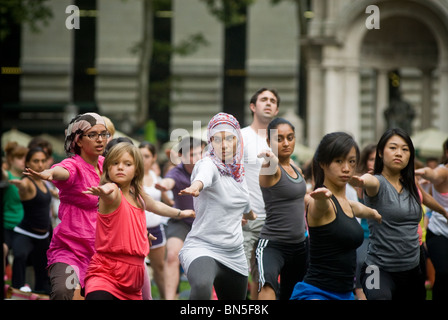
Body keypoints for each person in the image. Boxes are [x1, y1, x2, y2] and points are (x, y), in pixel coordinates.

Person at [83, 142, 194, 300]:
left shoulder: (138, 195)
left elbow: (155, 205)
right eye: (115, 163)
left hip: (134, 276)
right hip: (106, 274)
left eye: (127, 164)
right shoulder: (113, 192)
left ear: (136, 171)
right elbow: (110, 192)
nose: (120, 167)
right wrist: (104, 191)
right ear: (107, 168)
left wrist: (180, 213)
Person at [23, 113, 109, 299]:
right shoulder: (73, 165)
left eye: (104, 134)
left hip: (101, 252)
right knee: (65, 291)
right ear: (78, 140)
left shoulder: (107, 166)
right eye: (93, 135)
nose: (100, 139)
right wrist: (49, 173)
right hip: (70, 251)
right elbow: (62, 171)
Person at [290, 132, 381, 300]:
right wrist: (321, 199)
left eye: (351, 162)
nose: (346, 168)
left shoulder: (347, 203)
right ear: (323, 163)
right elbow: (318, 207)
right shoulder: (319, 202)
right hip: (316, 294)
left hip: (346, 295)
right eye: (339, 161)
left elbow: (362, 210)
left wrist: (377, 214)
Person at [178, 112, 257, 300]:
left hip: (234, 253)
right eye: (218, 139)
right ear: (210, 141)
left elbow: (246, 205)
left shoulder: (238, 173)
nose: (224, 144)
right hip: (203, 246)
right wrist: (196, 187)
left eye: (230, 138)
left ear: (237, 141)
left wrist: (249, 216)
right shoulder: (208, 164)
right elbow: (203, 177)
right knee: (202, 287)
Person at [353, 128, 424, 300]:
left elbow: (426, 198)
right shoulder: (377, 182)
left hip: (412, 269)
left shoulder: (410, 183)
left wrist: (443, 211)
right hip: (375, 269)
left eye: (405, 149)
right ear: (380, 152)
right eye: (393, 148)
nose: (399, 153)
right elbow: (369, 181)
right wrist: (362, 180)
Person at [255, 118, 308, 300]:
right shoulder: (271, 168)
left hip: (300, 246)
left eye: (290, 137)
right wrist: (270, 159)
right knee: (268, 285)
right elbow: (270, 168)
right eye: (279, 139)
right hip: (273, 245)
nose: (286, 143)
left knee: (292, 294)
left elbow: (300, 199)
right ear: (269, 142)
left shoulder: (297, 169)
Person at [241, 87, 280, 299]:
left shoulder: (280, 141)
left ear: (276, 110)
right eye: (263, 99)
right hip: (247, 217)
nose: (268, 103)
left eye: (273, 101)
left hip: (273, 220)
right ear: (253, 107)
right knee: (239, 273)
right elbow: (232, 176)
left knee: (263, 277)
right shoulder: (241, 137)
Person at [155, 136, 202, 300]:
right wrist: (163, 185)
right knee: (172, 255)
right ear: (182, 156)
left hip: (204, 222)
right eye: (192, 154)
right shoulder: (176, 171)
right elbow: (169, 181)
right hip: (180, 221)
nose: (197, 158)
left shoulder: (207, 168)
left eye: (200, 153)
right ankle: (169, 298)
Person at [9, 147, 52, 294]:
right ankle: (16, 290)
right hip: (25, 233)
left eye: (42, 161)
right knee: (20, 256)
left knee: (43, 274)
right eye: (36, 161)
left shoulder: (44, 182)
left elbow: (52, 194)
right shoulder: (26, 182)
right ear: (27, 163)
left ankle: (42, 291)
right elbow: (24, 186)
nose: (40, 164)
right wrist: (20, 185)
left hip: (43, 237)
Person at [415, 137, 448, 301]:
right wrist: (423, 172)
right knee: (444, 273)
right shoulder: (443, 171)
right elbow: (434, 174)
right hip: (439, 233)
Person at [139, 141, 170, 299]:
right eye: (141, 155)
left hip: (156, 228)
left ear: (154, 158)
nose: (143, 159)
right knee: (139, 270)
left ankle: (166, 297)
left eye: (147, 156)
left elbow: (165, 200)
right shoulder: (132, 176)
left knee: (159, 269)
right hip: (137, 231)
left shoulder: (155, 176)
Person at [353, 143, 376, 300]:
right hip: (365, 235)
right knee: (361, 263)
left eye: (377, 159)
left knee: (374, 278)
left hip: (380, 238)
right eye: (371, 159)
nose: (373, 162)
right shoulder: (362, 181)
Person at [2, 141, 27, 280]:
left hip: (22, 228)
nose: (24, 161)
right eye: (19, 157)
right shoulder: (6, 176)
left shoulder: (28, 178)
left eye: (25, 157)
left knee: (21, 254)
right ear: (11, 159)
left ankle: (19, 287)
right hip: (7, 226)